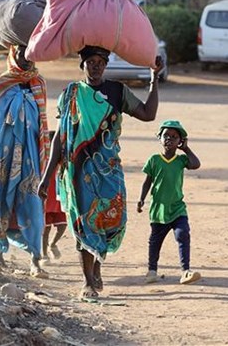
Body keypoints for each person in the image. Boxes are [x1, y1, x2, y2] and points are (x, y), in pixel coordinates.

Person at [37, 45, 164, 301]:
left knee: (109, 220)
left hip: (108, 170)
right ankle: (87, 283)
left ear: (106, 65)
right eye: (90, 62)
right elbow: (61, 139)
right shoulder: (71, 94)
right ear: (81, 65)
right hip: (77, 173)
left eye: (100, 62)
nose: (95, 66)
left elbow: (148, 115)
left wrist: (154, 78)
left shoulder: (117, 91)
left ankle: (96, 266)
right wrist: (47, 175)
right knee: (83, 223)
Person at [0, 45, 51, 278]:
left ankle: (36, 260)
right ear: (12, 53)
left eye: (29, 53)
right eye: (20, 52)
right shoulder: (0, 85)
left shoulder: (39, 84)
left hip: (31, 155)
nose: (25, 57)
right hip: (3, 154)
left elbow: (42, 124)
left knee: (33, 204)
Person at [137, 120, 202, 285]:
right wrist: (141, 199)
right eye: (166, 135)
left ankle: (186, 271)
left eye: (174, 137)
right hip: (159, 209)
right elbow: (147, 181)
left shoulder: (181, 160)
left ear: (179, 141)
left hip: (177, 208)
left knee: (183, 234)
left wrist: (186, 148)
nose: (169, 139)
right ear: (159, 137)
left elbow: (196, 164)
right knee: (155, 241)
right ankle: (152, 271)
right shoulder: (154, 160)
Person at [41, 130, 67, 264]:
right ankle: (44, 254)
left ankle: (53, 244)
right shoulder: (44, 161)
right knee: (46, 228)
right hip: (46, 200)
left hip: (58, 200)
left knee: (62, 226)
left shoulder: (61, 162)